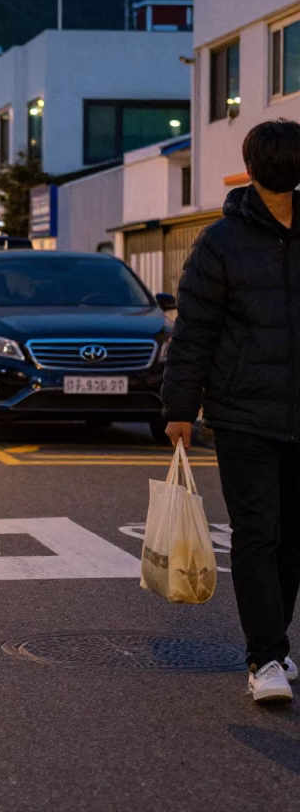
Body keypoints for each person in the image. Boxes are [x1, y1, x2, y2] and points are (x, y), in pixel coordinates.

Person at [163, 118, 300, 705]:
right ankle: (264, 657)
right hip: (244, 412)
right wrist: (179, 409)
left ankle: (276, 646)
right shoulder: (221, 242)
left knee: (293, 536)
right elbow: (194, 332)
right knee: (256, 533)